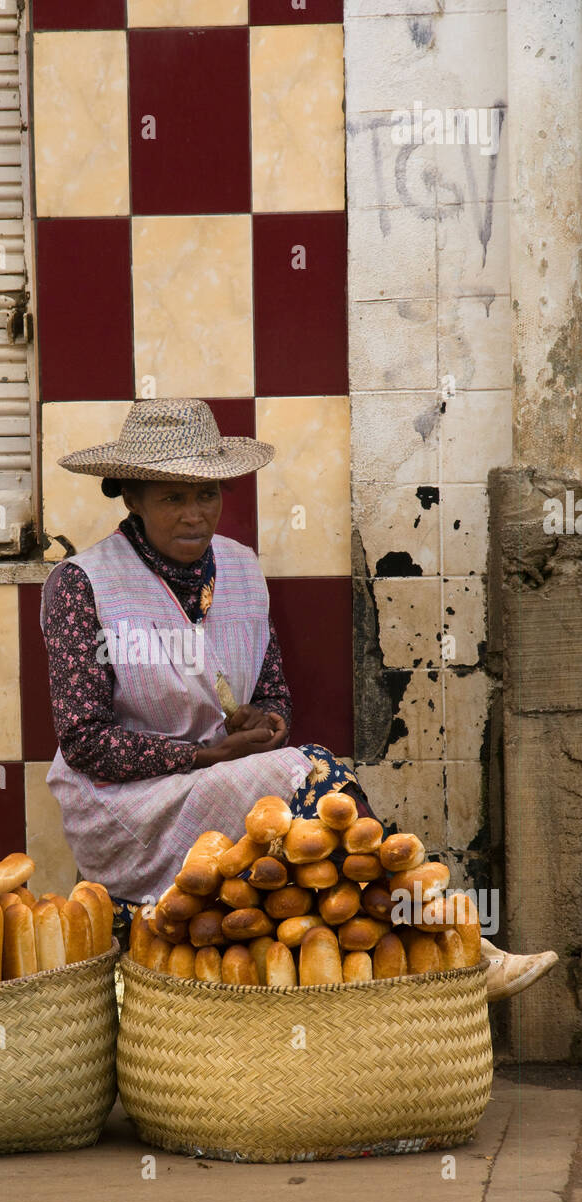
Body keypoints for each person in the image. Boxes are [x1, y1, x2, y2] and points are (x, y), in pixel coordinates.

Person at [40, 398, 556, 1002]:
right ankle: (462, 943)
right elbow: (84, 742)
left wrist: (264, 721)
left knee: (314, 795)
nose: (194, 515)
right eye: (171, 498)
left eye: (206, 494)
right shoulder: (82, 584)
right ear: (130, 497)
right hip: (126, 804)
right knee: (313, 769)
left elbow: (273, 691)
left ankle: (443, 952)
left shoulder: (239, 568)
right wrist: (207, 757)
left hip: (224, 771)